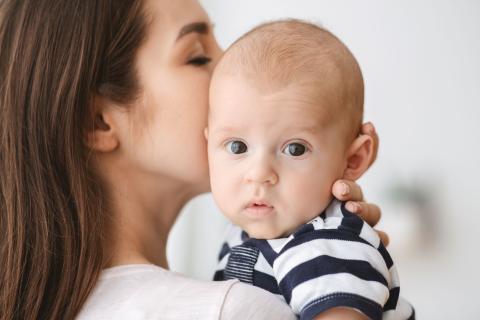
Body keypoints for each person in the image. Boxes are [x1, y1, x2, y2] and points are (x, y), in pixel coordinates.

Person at [0, 1, 383, 319]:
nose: (233, 66)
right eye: (199, 57)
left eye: (296, 149)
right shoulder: (230, 310)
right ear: (98, 121)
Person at [208, 20, 414, 320]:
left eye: (295, 149)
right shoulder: (243, 232)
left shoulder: (328, 249)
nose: (259, 173)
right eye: (237, 147)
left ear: (352, 160)